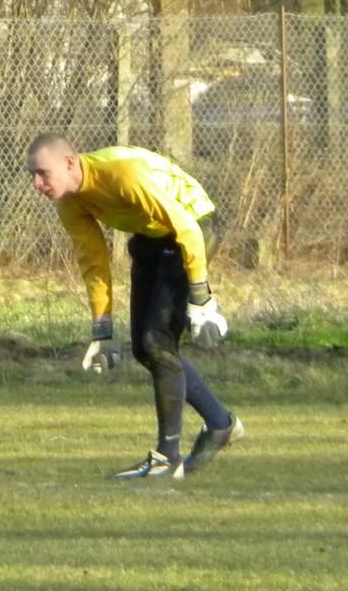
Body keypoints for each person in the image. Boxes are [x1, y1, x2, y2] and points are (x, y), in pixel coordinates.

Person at [26, 133, 243, 479]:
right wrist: (102, 329)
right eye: (33, 175)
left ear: (69, 163)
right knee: (145, 349)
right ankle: (220, 423)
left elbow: (187, 229)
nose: (37, 184)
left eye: (42, 173)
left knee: (157, 342)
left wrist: (201, 299)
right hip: (151, 237)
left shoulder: (123, 174)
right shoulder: (69, 201)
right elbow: (93, 261)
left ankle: (167, 456)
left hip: (194, 227)